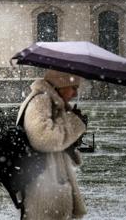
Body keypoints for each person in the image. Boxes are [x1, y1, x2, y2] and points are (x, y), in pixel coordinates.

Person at [16, 69, 87, 219]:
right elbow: (44, 138)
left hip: (48, 185)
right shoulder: (40, 101)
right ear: (60, 85)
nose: (75, 94)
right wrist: (74, 123)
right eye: (73, 88)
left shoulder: (51, 102)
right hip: (45, 189)